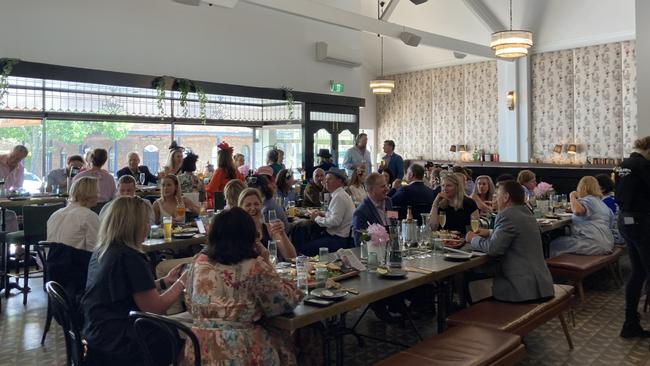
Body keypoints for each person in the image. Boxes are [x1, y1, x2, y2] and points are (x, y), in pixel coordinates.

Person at [181, 207, 303, 365]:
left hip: (198, 350)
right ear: (249, 236)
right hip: (240, 350)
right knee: (293, 339)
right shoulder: (254, 266)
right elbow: (284, 302)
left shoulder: (200, 262)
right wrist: (265, 260)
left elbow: (190, 301)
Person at [81, 196, 187, 366]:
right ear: (133, 226)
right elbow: (155, 308)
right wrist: (182, 282)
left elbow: (127, 290)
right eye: (145, 222)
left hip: (96, 332)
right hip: (120, 341)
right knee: (189, 337)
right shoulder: (131, 258)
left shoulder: (103, 251)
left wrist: (163, 282)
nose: (148, 227)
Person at [466, 180, 555, 303]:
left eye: (497, 195)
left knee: (469, 278)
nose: (495, 199)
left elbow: (493, 249)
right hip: (541, 285)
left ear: (506, 197)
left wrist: (472, 239)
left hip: (520, 290)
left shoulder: (506, 215)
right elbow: (518, 233)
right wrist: (490, 232)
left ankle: (468, 315)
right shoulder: (526, 212)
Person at [616, 136, 650, 339]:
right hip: (641, 221)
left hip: (625, 220)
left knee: (638, 272)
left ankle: (630, 324)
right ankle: (630, 324)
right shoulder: (643, 166)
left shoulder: (623, 165)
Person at [549, 176, 615, 257]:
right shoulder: (602, 204)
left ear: (581, 187)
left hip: (593, 244)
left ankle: (556, 268)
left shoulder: (588, 199)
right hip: (608, 243)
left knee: (554, 244)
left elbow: (577, 211)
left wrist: (572, 196)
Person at [303, 169, 355, 255]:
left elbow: (335, 222)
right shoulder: (339, 194)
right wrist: (323, 214)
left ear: (340, 181)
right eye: (326, 179)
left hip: (339, 239)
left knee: (304, 248)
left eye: (329, 179)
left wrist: (316, 218)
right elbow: (335, 215)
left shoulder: (339, 196)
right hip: (341, 237)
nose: (326, 181)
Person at [238, 188, 297, 260]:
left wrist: (282, 234)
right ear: (240, 208)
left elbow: (292, 257)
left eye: (256, 204)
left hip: (272, 269)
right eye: (248, 205)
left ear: (261, 206)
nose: (253, 208)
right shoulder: (237, 232)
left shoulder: (270, 229)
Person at [47, 176, 100, 252]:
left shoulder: (55, 215)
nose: (99, 195)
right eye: (97, 192)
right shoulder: (89, 216)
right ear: (90, 194)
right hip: (75, 262)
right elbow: (95, 249)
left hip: (50, 262)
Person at [352, 173, 392, 245]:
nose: (387, 189)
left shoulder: (388, 201)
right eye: (383, 186)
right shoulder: (360, 213)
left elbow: (394, 223)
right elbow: (360, 243)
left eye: (386, 185)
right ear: (371, 189)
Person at [205, 142, 245, 208]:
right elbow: (242, 182)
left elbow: (211, 188)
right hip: (237, 200)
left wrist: (204, 186)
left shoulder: (220, 171)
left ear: (220, 158)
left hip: (223, 201)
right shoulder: (235, 170)